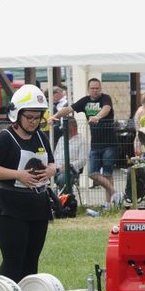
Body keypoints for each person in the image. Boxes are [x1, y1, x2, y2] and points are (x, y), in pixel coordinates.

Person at [0, 84, 56, 283]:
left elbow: (52, 163)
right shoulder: (4, 138)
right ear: (17, 114)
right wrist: (18, 175)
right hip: (9, 209)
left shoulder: (41, 136)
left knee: (32, 262)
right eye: (29, 117)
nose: (33, 122)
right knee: (13, 261)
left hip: (38, 206)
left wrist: (51, 170)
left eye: (37, 117)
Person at [49, 78, 119, 209]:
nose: (95, 90)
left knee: (108, 174)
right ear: (88, 89)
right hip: (95, 144)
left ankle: (108, 204)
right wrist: (55, 116)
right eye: (92, 88)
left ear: (101, 88)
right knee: (93, 173)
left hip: (110, 142)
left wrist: (97, 117)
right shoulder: (85, 101)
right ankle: (115, 193)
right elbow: (68, 109)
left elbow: (107, 108)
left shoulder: (105, 98)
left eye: (97, 88)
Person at [53, 117, 88, 190]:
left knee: (63, 179)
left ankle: (64, 199)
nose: (63, 130)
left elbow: (83, 160)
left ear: (72, 128)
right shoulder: (61, 139)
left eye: (65, 128)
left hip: (70, 171)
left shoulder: (81, 140)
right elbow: (55, 155)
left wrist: (69, 166)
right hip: (55, 169)